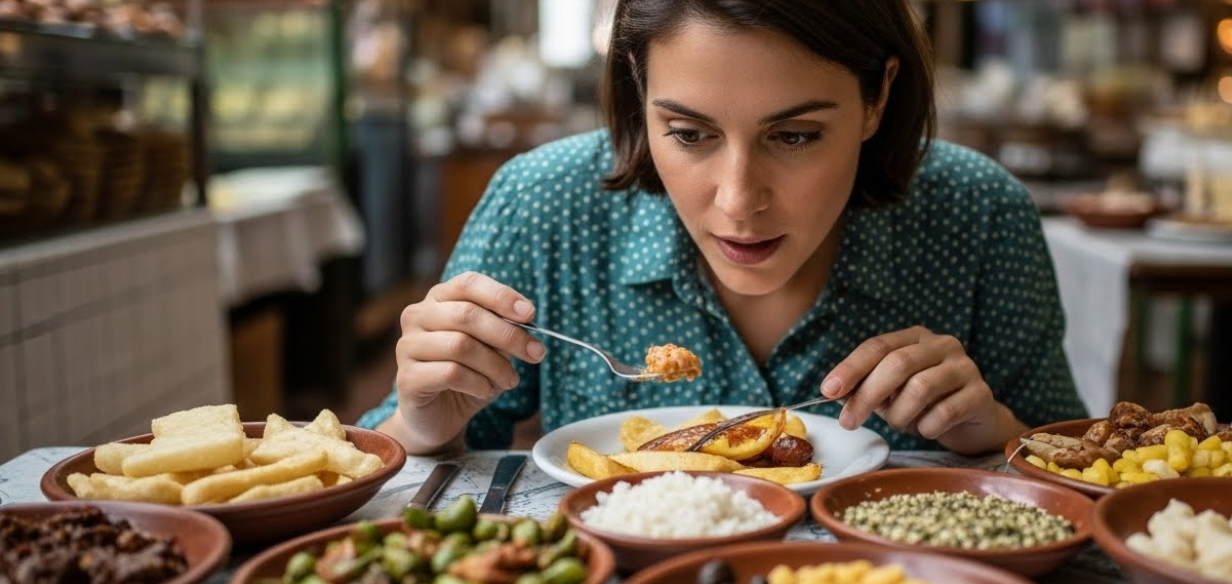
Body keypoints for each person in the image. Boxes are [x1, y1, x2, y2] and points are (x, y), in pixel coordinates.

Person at [359, 0, 1087, 456]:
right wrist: (420, 427)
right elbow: (405, 456)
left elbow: (1079, 461)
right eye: (689, 134)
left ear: (877, 97)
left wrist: (996, 434)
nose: (738, 202)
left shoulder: (980, 213)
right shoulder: (541, 203)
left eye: (795, 136)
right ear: (639, 86)